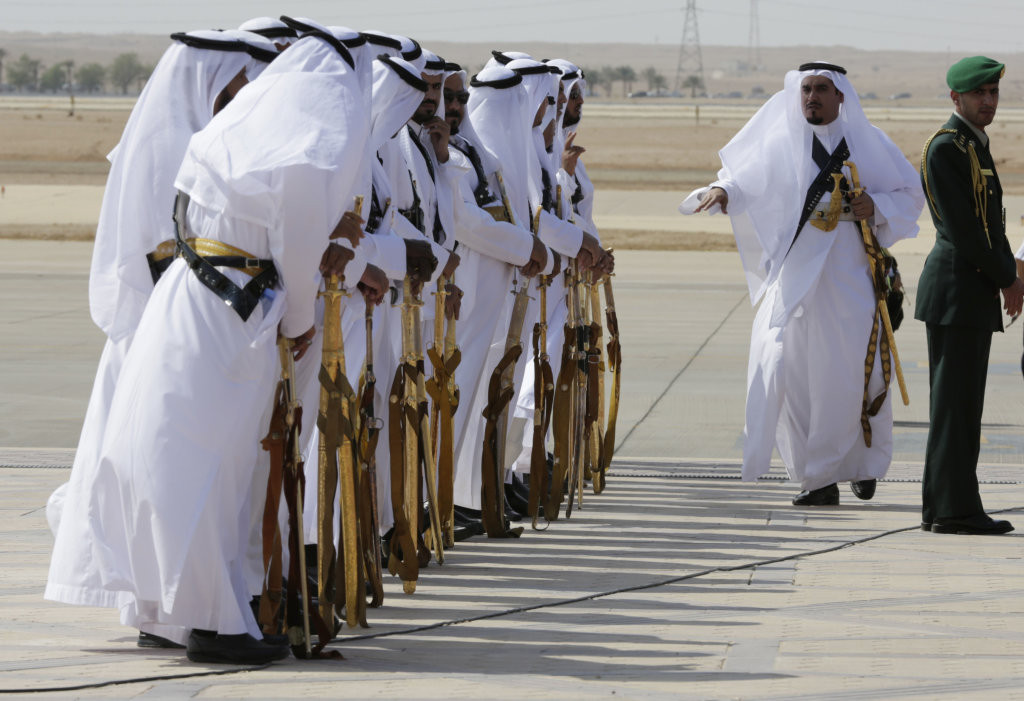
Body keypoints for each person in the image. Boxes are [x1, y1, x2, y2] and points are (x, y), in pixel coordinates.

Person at [84, 33, 370, 664]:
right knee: (216, 468)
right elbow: (296, 245)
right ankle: (217, 623)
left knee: (193, 462)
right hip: (230, 317)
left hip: (199, 305)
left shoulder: (237, 131)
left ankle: (193, 613)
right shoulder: (301, 148)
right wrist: (299, 319)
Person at [44, 29, 278, 650]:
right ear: (210, 79)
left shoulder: (205, 137)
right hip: (159, 331)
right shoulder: (168, 143)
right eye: (239, 81)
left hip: (178, 333)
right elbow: (155, 252)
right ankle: (171, 615)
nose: (247, 92)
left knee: (168, 478)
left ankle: (164, 614)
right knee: (162, 478)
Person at [682, 61, 924, 506]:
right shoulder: (783, 141)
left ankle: (861, 464)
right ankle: (818, 480)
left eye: (821, 89)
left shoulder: (868, 141)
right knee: (790, 374)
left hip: (849, 278)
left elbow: (911, 193)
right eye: (806, 89)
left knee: (853, 374)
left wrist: (877, 205)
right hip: (794, 278)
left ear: (841, 96)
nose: (811, 97)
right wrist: (722, 191)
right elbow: (744, 179)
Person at [916, 56, 1024, 535]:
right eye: (979, 93)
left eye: (993, 93)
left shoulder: (972, 145)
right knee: (956, 408)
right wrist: (1008, 277)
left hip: (969, 291)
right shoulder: (948, 147)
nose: (988, 101)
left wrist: (1008, 274)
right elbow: (966, 232)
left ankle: (943, 507)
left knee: (958, 407)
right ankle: (954, 510)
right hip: (957, 290)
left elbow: (991, 225)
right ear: (955, 98)